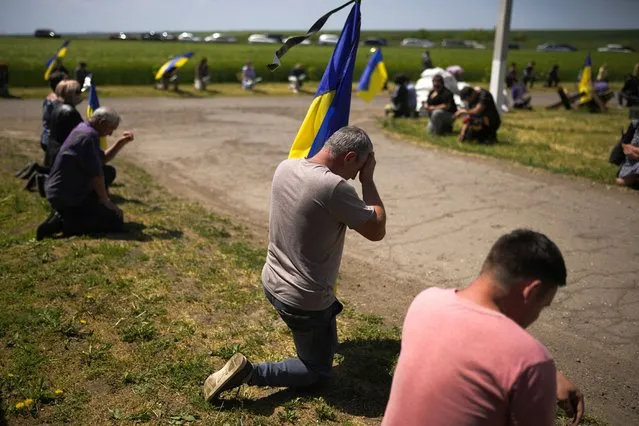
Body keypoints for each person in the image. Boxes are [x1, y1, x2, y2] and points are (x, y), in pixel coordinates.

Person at [203, 126, 386, 401]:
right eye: (359, 166)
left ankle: (320, 339)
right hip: (303, 301)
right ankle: (250, 373)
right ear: (349, 157)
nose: (356, 174)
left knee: (324, 337)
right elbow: (377, 229)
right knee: (317, 371)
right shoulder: (334, 187)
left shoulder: (285, 167)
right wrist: (368, 181)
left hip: (272, 280)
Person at [383, 229, 585, 426]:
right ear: (531, 291)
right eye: (543, 306)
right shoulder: (531, 361)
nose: (537, 316)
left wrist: (542, 377)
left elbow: (468, 349)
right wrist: (538, 377)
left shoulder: (426, 301)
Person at [37, 107, 134, 240]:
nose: (111, 134)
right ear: (103, 122)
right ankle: (61, 223)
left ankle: (66, 216)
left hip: (66, 190)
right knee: (115, 221)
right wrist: (105, 201)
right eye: (111, 129)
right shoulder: (88, 137)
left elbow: (102, 159)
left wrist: (120, 143)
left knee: (110, 212)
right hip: (65, 195)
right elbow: (96, 175)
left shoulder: (85, 129)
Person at [45, 80, 84, 168]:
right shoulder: (69, 112)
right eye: (77, 92)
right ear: (69, 94)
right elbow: (82, 134)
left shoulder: (57, 108)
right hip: (64, 159)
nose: (80, 94)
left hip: (54, 155)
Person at [616, 117, 639, 187]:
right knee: (620, 181)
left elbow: (629, 147)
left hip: (635, 157)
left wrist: (635, 153)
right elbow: (625, 145)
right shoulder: (635, 124)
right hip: (631, 161)